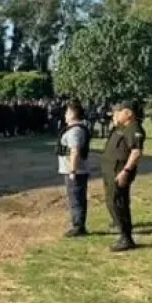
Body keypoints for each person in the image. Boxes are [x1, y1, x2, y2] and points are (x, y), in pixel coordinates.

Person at [100, 101, 144, 252]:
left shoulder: (133, 128)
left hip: (120, 171)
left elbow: (136, 152)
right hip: (111, 170)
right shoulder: (121, 127)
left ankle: (126, 237)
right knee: (112, 201)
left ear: (129, 113)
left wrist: (126, 171)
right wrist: (115, 120)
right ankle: (121, 230)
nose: (115, 114)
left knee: (118, 202)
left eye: (119, 112)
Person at [56, 100, 91, 238]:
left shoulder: (75, 131)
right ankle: (78, 224)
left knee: (76, 199)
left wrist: (72, 171)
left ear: (72, 114)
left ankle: (78, 226)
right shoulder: (75, 129)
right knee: (76, 198)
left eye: (67, 112)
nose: (65, 115)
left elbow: (75, 151)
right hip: (75, 170)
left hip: (76, 171)